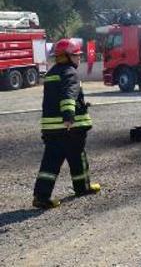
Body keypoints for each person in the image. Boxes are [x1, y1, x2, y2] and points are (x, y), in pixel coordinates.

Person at [32, 39, 100, 209]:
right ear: (69, 57)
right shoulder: (70, 73)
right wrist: (69, 115)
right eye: (77, 56)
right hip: (70, 128)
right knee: (78, 157)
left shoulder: (51, 73)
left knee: (50, 163)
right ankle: (82, 188)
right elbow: (69, 95)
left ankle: (41, 197)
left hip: (50, 129)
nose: (79, 59)